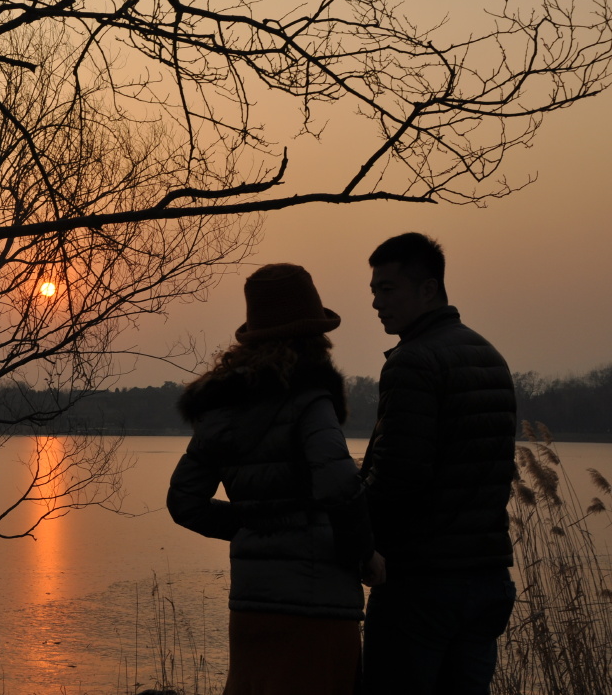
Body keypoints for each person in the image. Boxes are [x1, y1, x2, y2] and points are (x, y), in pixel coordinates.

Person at [168, 263, 379, 695]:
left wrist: (254, 523)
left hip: (251, 606)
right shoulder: (311, 399)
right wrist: (365, 559)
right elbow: (340, 487)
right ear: (314, 334)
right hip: (319, 606)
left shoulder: (221, 407)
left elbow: (183, 503)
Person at [360, 232, 518, 694]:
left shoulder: (414, 360)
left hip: (421, 585)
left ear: (428, 289)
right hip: (487, 580)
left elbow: (397, 474)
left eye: (387, 290)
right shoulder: (491, 356)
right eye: (373, 291)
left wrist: (354, 532)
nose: (376, 304)